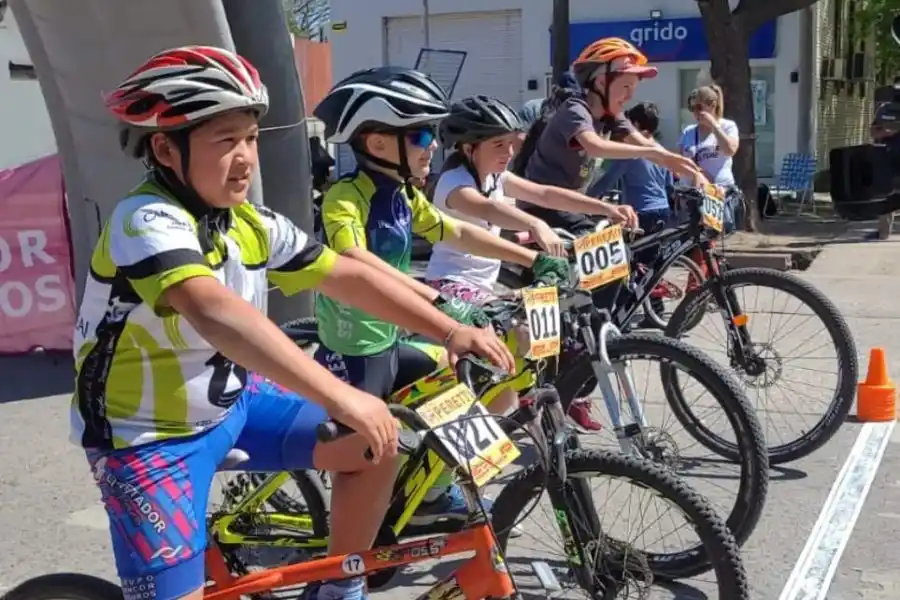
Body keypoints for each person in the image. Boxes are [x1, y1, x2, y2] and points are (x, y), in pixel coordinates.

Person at [76, 46, 512, 600]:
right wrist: (339, 393)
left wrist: (451, 329)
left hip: (232, 402)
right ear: (165, 147)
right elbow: (213, 311)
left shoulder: (249, 223)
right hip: (148, 437)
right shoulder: (143, 220)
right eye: (225, 140)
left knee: (378, 442)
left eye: (251, 138)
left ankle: (339, 589)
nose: (246, 157)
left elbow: (346, 276)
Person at [312, 67, 569, 526]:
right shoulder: (345, 197)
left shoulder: (403, 195)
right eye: (422, 134)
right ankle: (349, 559)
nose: (434, 144)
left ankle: (433, 494)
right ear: (377, 144)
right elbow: (354, 259)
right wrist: (439, 305)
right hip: (356, 349)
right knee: (367, 466)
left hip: (388, 339)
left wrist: (531, 260)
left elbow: (458, 232)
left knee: (469, 380)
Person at [424, 94, 638, 431]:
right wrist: (534, 224)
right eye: (499, 145)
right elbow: (490, 210)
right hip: (450, 288)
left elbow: (544, 194)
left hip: (486, 288)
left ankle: (516, 416)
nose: (509, 153)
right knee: (519, 340)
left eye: (511, 144)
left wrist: (605, 209)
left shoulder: (497, 177)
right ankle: (496, 421)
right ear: (469, 148)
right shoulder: (455, 186)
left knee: (538, 338)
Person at [514, 37, 703, 236]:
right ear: (602, 82)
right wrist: (653, 153)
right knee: (592, 243)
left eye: (633, 89)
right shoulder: (575, 109)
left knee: (621, 239)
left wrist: (693, 173)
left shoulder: (611, 115)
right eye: (625, 87)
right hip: (540, 205)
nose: (630, 96)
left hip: (571, 204)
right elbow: (594, 146)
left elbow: (648, 146)